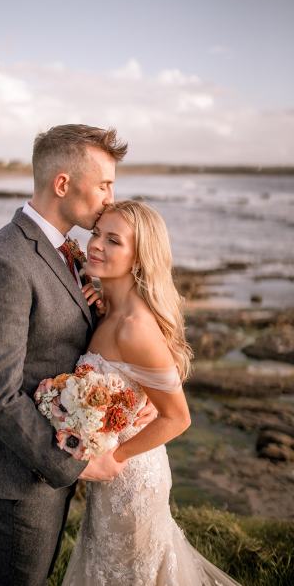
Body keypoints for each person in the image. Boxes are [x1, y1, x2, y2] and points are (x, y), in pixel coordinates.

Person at [0, 125, 157, 586]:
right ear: (63, 184)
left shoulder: (65, 253)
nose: (112, 197)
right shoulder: (3, 262)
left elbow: (67, 348)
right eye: (105, 183)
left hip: (47, 465)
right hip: (21, 476)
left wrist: (131, 396)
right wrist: (79, 463)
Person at [62, 200, 242, 586]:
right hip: (112, 478)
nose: (95, 245)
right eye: (96, 233)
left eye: (114, 241)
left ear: (139, 258)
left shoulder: (133, 326)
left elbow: (178, 417)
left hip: (131, 480)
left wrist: (115, 456)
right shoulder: (109, 309)